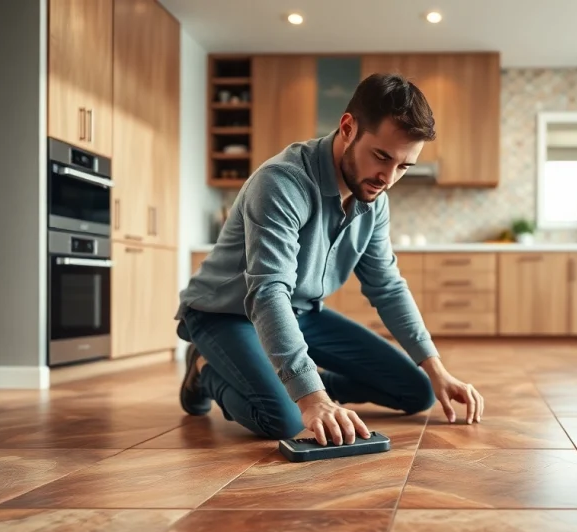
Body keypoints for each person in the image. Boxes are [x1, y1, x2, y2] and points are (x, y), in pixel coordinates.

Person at [174, 73, 484, 446]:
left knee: (418, 391)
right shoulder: (281, 182)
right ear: (348, 128)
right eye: (382, 156)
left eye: (404, 167)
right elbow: (268, 292)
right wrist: (313, 400)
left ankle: (294, 380)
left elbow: (386, 286)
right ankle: (205, 368)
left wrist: (437, 369)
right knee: (285, 419)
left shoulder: (374, 200)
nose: (387, 178)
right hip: (225, 313)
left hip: (301, 313)